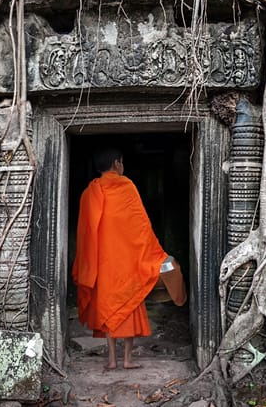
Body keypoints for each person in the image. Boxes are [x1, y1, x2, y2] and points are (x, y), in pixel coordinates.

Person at [72, 148, 167, 370]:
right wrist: (155, 254)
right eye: (122, 163)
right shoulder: (126, 187)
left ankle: (112, 360)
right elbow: (140, 227)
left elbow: (84, 234)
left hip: (102, 264)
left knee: (107, 308)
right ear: (117, 163)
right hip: (127, 262)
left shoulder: (89, 193)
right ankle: (127, 360)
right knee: (129, 305)